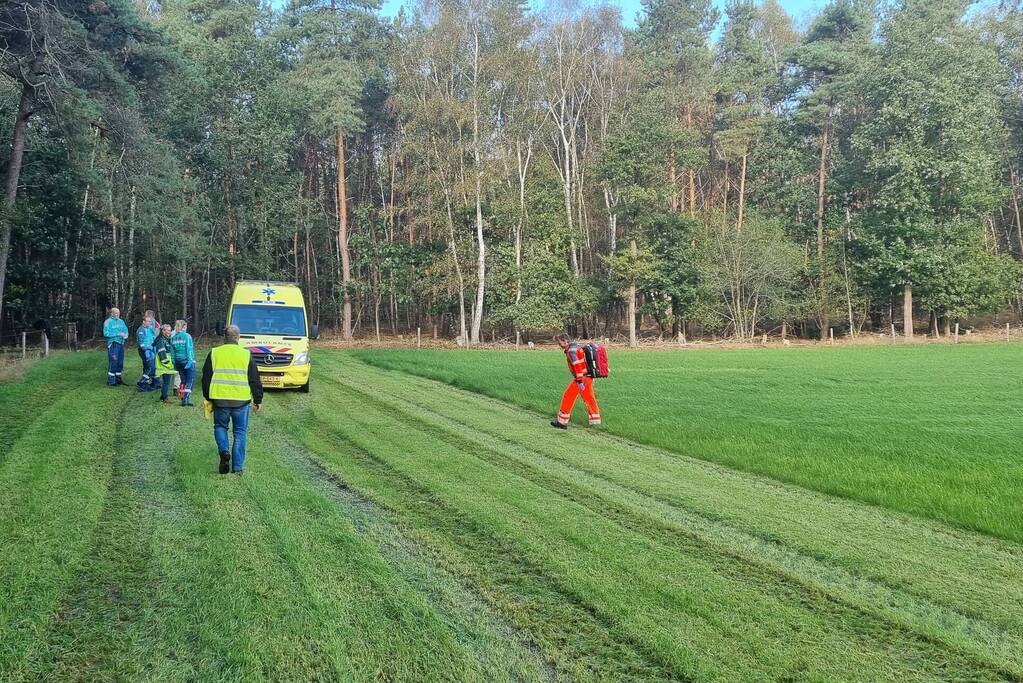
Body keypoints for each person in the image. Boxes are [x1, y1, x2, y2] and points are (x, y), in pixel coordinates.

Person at [202, 324, 263, 475]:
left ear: (225, 337)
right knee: (240, 433)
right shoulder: (246, 354)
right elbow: (254, 379)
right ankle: (237, 468)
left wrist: (208, 397)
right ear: (238, 337)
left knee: (220, 427)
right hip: (241, 401)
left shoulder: (214, 353)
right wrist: (258, 400)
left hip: (220, 400)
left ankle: (224, 451)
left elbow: (206, 378)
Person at [551, 332, 601, 429]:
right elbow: (586, 363)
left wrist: (579, 381)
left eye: (559, 342)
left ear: (565, 341)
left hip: (582, 378)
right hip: (588, 377)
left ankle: (562, 422)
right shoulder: (578, 347)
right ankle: (596, 421)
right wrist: (592, 377)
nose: (559, 345)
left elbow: (577, 366)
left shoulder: (571, 351)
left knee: (568, 396)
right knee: (589, 398)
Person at [170, 319, 196, 406]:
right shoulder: (187, 336)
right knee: (190, 380)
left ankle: (183, 397)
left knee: (183, 380)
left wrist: (174, 362)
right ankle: (186, 398)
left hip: (178, 361)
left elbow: (172, 352)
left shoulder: (173, 338)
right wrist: (190, 361)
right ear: (184, 326)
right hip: (186, 360)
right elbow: (189, 349)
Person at [103, 307, 129, 386]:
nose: (117, 315)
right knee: (114, 361)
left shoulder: (121, 321)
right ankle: (111, 380)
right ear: (112, 313)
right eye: (116, 313)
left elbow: (125, 329)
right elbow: (106, 333)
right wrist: (117, 334)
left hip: (121, 343)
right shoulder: (108, 322)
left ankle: (118, 379)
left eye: (118, 313)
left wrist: (126, 334)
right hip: (113, 343)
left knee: (120, 362)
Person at [153, 323, 177, 403]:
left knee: (167, 381)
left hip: (166, 364)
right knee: (166, 382)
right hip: (164, 365)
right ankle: (164, 397)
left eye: (170, 330)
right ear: (163, 331)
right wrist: (168, 364)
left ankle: (163, 396)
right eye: (168, 330)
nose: (170, 332)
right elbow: (162, 354)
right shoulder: (161, 340)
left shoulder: (167, 338)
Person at [135, 312, 158, 391]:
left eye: (150, 321)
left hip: (152, 350)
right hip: (145, 351)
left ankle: (154, 383)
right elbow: (142, 343)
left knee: (149, 366)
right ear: (143, 321)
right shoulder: (141, 330)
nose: (149, 323)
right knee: (151, 367)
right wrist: (148, 349)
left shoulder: (150, 328)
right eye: (148, 321)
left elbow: (155, 336)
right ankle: (142, 382)